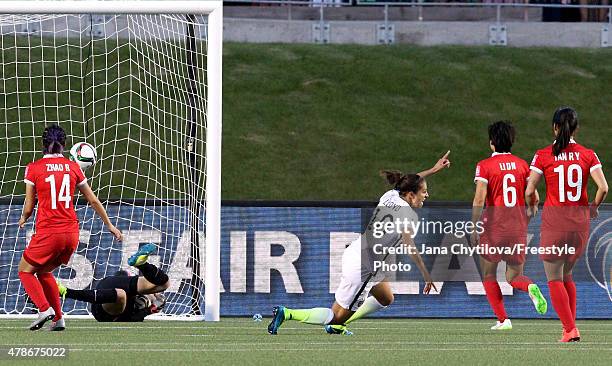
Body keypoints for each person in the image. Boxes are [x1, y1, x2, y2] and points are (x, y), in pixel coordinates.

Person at [268, 152, 451, 335]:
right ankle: (288, 313)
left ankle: (340, 322)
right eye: (424, 192)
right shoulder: (409, 217)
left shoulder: (390, 196)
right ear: (411, 195)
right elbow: (410, 247)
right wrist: (427, 275)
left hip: (358, 251)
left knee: (386, 298)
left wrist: (434, 170)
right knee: (335, 315)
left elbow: (410, 181)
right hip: (366, 266)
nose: (427, 195)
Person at [18, 124, 122, 331]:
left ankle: (44, 309)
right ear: (64, 146)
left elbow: (29, 206)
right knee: (44, 271)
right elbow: (92, 200)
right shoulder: (73, 167)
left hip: (49, 231)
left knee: (24, 271)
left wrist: (23, 219)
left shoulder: (34, 168)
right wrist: (110, 225)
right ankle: (58, 319)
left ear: (42, 144)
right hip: (71, 234)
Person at [525, 107, 608, 342]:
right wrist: (593, 207)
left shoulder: (543, 155)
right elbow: (603, 188)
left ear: (554, 127)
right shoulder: (587, 154)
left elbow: (530, 189)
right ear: (576, 129)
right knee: (567, 275)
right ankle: (570, 327)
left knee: (553, 278)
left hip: (555, 224)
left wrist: (533, 204)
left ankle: (570, 329)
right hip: (580, 225)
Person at [471, 121, 547, 331]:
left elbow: (479, 199)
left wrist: (474, 227)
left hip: (493, 228)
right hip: (517, 228)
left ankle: (504, 320)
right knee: (513, 277)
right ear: (511, 141)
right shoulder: (523, 165)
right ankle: (530, 286)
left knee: (488, 274)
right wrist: (527, 218)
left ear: (492, 143)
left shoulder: (485, 166)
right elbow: (534, 198)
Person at [58, 244, 169, 322]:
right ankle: (142, 264)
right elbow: (121, 274)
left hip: (104, 311)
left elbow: (133, 317)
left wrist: (149, 310)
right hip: (110, 285)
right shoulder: (141, 297)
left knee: (121, 295)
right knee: (164, 284)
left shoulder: (137, 313)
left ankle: (66, 292)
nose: (155, 295)